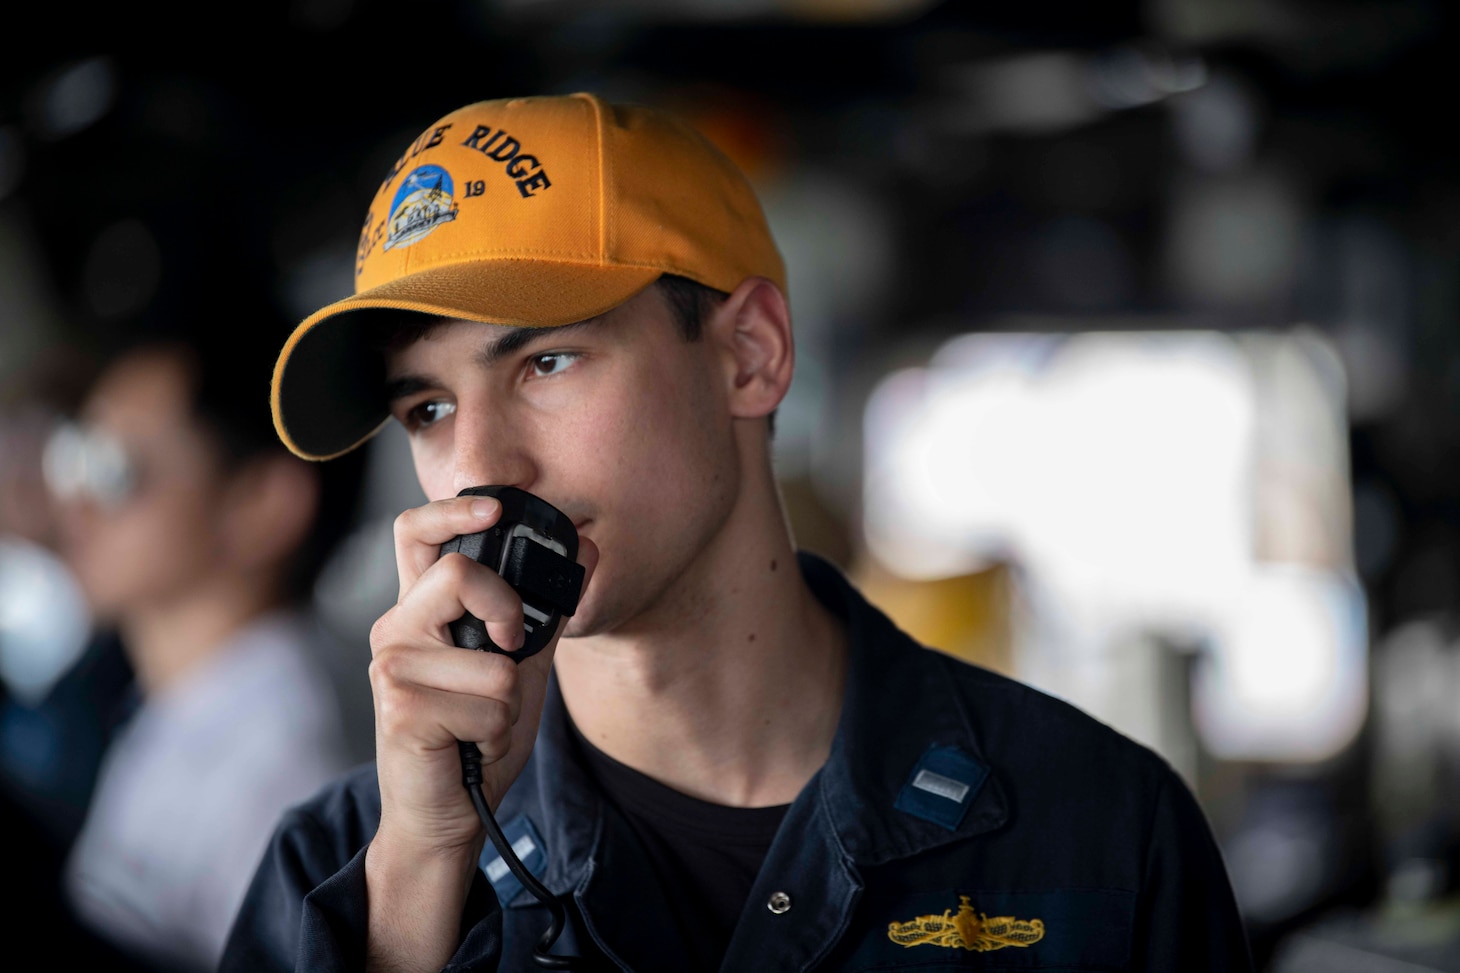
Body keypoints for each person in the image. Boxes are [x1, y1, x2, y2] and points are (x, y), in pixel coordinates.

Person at [224, 93, 1253, 972]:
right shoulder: (347, 864)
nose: (482, 467)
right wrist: (418, 876)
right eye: (428, 411)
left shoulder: (1099, 834)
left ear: (750, 355)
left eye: (546, 365)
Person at [53, 320, 364, 972]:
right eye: (73, 457)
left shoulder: (287, 771)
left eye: (116, 470)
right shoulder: (179, 701)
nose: (75, 501)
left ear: (264, 503)